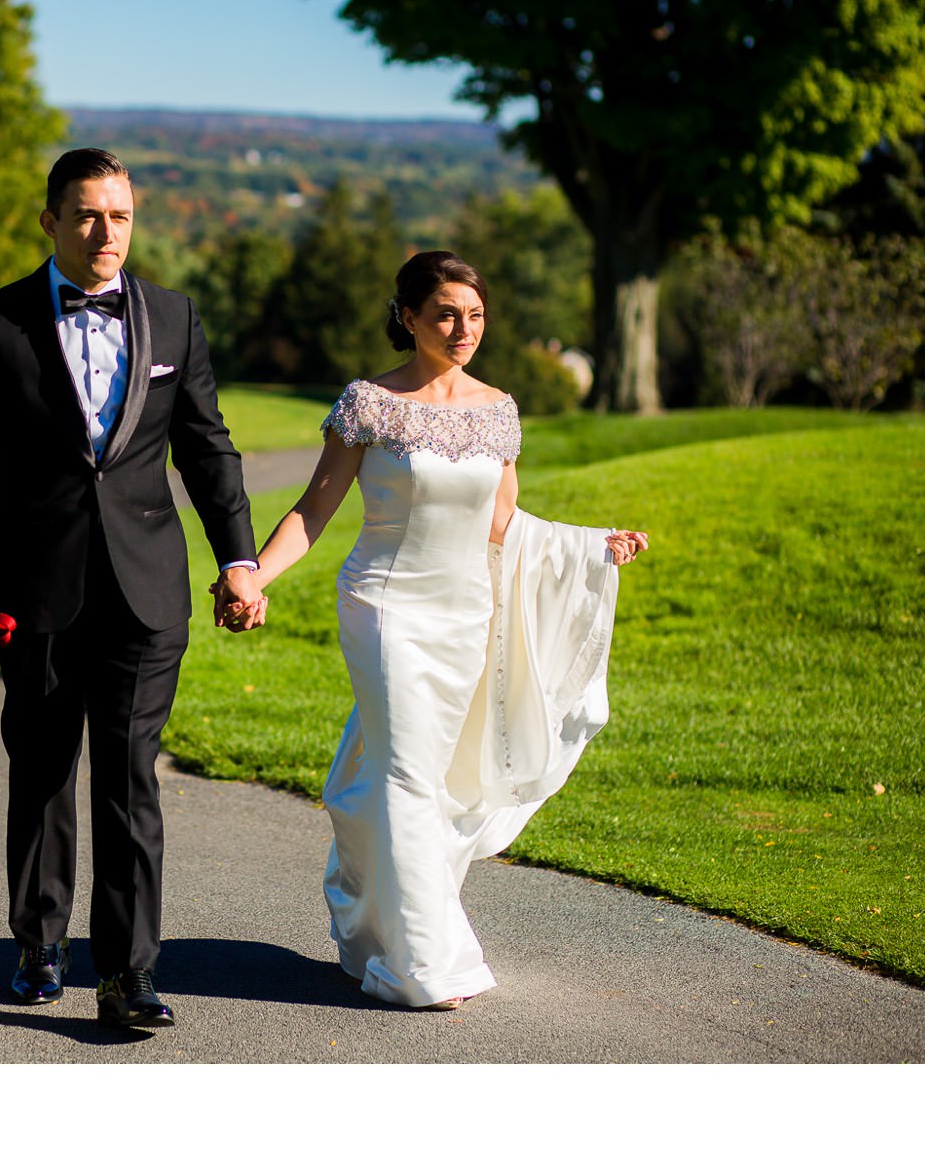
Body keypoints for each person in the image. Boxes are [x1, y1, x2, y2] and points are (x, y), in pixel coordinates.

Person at [228, 250, 648, 1010]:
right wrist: (255, 573)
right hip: (385, 606)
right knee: (407, 775)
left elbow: (500, 523)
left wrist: (591, 546)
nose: (464, 328)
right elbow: (314, 509)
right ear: (409, 317)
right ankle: (427, 961)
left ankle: (369, 930)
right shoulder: (369, 403)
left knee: (421, 776)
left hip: (466, 614)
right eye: (447, 313)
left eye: (476, 314)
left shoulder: (498, 410)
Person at [0, 148, 262, 1029]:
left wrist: (238, 557)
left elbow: (207, 447)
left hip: (147, 596)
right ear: (51, 222)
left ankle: (127, 975)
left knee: (129, 780)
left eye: (119, 215)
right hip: (30, 594)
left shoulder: (174, 319)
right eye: (85, 215)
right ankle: (38, 948)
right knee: (37, 776)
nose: (105, 232)